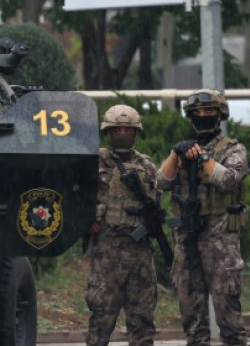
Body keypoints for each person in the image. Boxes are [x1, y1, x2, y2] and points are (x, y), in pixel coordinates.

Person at [159, 89, 249, 346]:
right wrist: (176, 155)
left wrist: (202, 157)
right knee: (192, 319)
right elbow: (161, 182)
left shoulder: (233, 149)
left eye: (209, 111)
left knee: (228, 316)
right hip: (187, 239)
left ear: (219, 115)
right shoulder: (184, 150)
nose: (202, 116)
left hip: (220, 241)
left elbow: (228, 179)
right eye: (197, 112)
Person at [85, 104, 159, 346]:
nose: (124, 133)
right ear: (108, 132)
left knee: (142, 319)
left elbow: (155, 200)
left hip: (140, 251)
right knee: (102, 318)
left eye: (129, 129)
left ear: (136, 132)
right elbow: (77, 197)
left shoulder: (146, 165)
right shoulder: (94, 162)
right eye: (118, 129)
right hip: (108, 251)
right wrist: (88, 220)